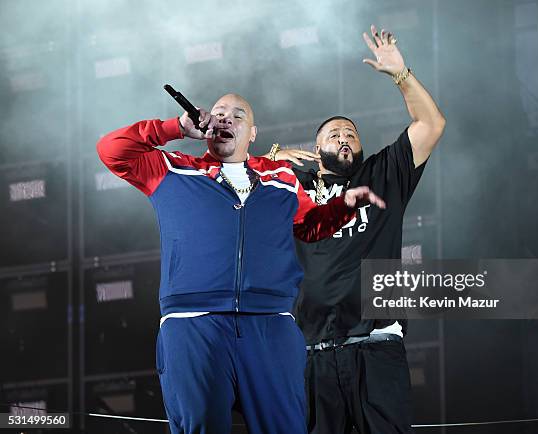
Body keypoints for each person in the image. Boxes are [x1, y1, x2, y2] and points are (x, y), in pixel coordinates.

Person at [96, 93, 386, 434]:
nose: (225, 118)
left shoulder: (282, 179)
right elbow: (111, 149)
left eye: (237, 115)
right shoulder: (173, 169)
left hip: (271, 325)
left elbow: (311, 226)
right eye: (218, 113)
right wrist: (174, 127)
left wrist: (343, 206)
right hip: (193, 324)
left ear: (252, 133)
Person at [267, 25, 446, 433]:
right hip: (312, 354)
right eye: (334, 134)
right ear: (316, 150)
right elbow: (229, 177)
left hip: (376, 346)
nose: (344, 137)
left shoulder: (383, 174)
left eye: (351, 133)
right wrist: (272, 155)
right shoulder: (292, 190)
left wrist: (401, 74)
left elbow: (431, 125)